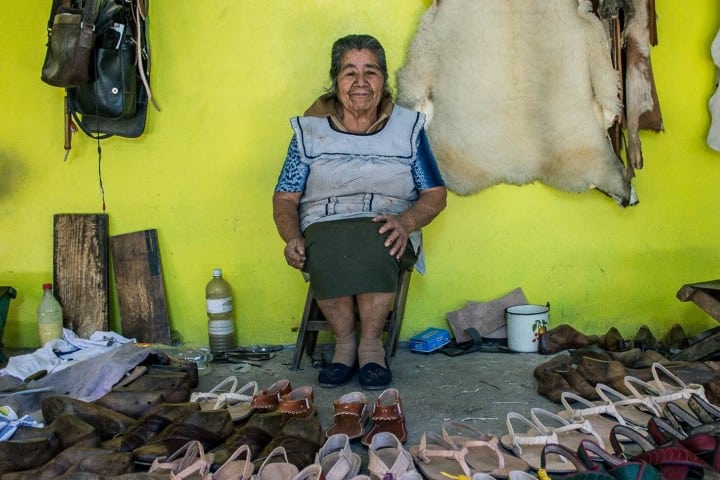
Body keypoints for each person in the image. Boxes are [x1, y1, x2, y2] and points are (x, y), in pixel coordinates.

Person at [272, 34, 447, 389]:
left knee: (376, 237)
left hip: (390, 223)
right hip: (324, 224)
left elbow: (435, 193)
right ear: (335, 82)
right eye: (350, 73)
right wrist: (291, 237)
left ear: (383, 81)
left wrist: (406, 221)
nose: (361, 82)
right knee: (328, 243)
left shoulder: (408, 129)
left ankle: (370, 347)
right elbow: (285, 198)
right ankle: (345, 345)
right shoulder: (310, 131)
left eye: (371, 72)